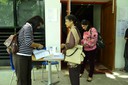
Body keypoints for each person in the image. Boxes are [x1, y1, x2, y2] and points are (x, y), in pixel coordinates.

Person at [13, 15, 44, 85]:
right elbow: (28, 43)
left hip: (26, 56)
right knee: (22, 80)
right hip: (21, 56)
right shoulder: (27, 27)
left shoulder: (29, 27)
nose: (39, 27)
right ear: (36, 23)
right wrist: (38, 45)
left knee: (27, 78)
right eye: (39, 25)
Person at [61, 14, 81, 85]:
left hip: (73, 59)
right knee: (75, 77)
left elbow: (71, 44)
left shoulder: (73, 30)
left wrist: (64, 46)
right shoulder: (75, 29)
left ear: (71, 21)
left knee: (73, 77)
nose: (65, 23)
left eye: (66, 21)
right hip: (76, 57)